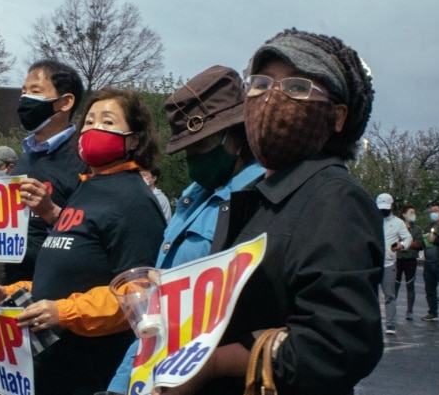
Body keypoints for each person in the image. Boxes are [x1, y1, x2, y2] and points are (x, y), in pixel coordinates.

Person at [155, 29, 384, 395]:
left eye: (296, 88)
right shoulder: (258, 196)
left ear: (338, 117)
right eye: (259, 84)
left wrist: (213, 363)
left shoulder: (335, 200)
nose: (270, 98)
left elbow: (338, 346)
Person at [0, 86, 166, 395]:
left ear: (136, 139)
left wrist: (64, 312)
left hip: (91, 373)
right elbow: (66, 278)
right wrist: (10, 292)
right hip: (53, 368)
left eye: (108, 121)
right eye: (89, 121)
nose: (93, 129)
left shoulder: (135, 203)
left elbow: (139, 297)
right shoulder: (87, 189)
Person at [107, 64, 265, 394]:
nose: (192, 158)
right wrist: (121, 387)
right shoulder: (194, 197)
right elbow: (153, 319)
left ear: (235, 135)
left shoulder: (260, 204)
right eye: (186, 148)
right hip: (156, 373)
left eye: (201, 145)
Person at [0, 61, 88, 372]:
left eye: (35, 92)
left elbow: (88, 231)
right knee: (15, 374)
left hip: (55, 296)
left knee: (50, 375)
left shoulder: (81, 158)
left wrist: (51, 210)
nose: (24, 100)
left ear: (65, 102)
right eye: (23, 92)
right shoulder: (29, 154)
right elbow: (8, 217)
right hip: (12, 286)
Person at [375, 193, 412, 334]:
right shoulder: (372, 219)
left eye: (385, 208)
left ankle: (390, 324)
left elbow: (408, 238)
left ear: (391, 207)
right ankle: (371, 323)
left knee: (389, 295)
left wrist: (401, 245)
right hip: (373, 263)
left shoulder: (398, 223)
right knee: (370, 295)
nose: (383, 211)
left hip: (388, 264)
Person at [397, 204, 425, 320]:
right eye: (411, 212)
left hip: (410, 259)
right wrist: (408, 243)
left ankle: (409, 310)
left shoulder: (417, 229)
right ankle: (391, 308)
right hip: (397, 259)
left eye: (414, 213)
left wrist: (403, 244)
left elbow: (419, 244)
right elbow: (393, 242)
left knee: (410, 285)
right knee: (395, 284)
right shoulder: (397, 226)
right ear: (404, 215)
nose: (413, 215)